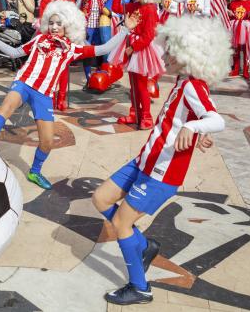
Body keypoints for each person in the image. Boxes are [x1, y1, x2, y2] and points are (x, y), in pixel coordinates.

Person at [91, 15, 229, 305]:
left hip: (161, 173)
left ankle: (139, 287)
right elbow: (193, 119)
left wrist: (195, 128)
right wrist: (194, 128)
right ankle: (143, 245)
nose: (166, 54)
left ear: (189, 54)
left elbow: (216, 119)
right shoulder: (183, 81)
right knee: (101, 198)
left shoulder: (194, 85)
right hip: (145, 161)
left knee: (121, 223)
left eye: (173, 49)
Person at [0, 1, 139, 189]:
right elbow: (15, 53)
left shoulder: (72, 49)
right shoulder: (39, 39)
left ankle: (35, 172)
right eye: (52, 23)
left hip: (44, 94)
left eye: (59, 24)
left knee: (47, 142)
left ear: (69, 27)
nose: (54, 27)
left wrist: (125, 31)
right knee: (6, 107)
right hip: (24, 82)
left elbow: (104, 49)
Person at [109, 0, 165, 129]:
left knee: (141, 85)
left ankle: (146, 116)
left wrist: (133, 48)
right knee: (133, 85)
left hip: (141, 50)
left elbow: (148, 35)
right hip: (131, 45)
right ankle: (135, 113)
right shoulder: (135, 6)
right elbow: (116, 7)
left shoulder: (151, 9)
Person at [38, 0, 74, 111]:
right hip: (50, 38)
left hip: (65, 39)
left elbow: (73, 19)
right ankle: (51, 96)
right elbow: (42, 19)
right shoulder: (45, 0)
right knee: (51, 69)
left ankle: (62, 98)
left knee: (64, 69)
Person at [228, 0, 250, 80]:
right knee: (235, 50)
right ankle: (235, 69)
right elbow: (228, 16)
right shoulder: (233, 3)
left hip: (246, 29)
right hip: (235, 28)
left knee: (246, 50)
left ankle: (245, 70)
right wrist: (228, 12)